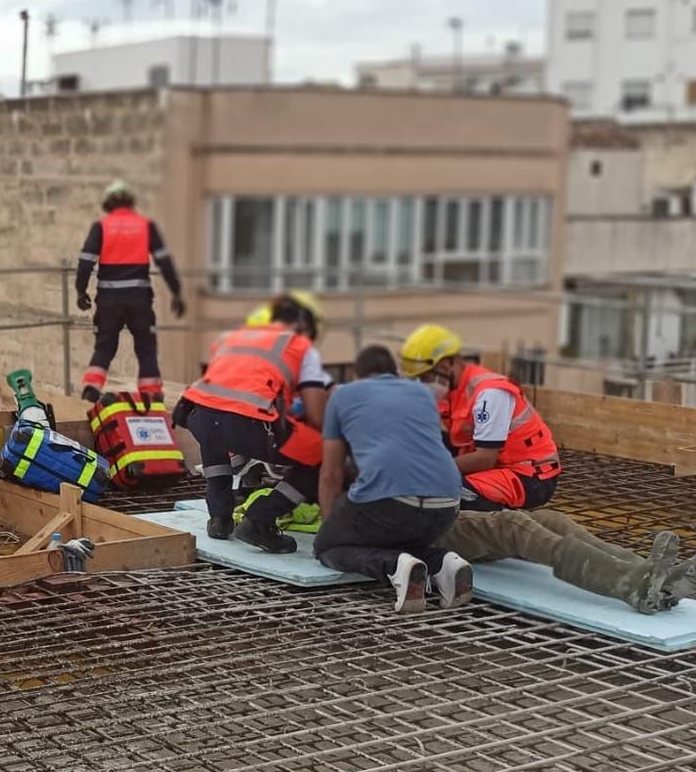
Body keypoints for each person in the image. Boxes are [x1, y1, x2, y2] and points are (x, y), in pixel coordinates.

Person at [314, 345, 472, 612]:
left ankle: (394, 566)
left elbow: (331, 473)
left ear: (356, 373)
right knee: (398, 535)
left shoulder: (342, 395)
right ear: (393, 371)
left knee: (328, 547)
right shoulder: (422, 393)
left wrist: (331, 528)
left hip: (393, 501)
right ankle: (442, 564)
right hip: (448, 502)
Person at [177, 290, 332, 550]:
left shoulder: (234, 338)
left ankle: (220, 518)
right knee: (321, 455)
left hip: (198, 415)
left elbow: (228, 388)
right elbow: (317, 415)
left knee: (215, 441)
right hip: (244, 422)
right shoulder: (300, 346)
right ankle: (260, 519)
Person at [400, 324, 562, 511]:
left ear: (445, 367)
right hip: (495, 466)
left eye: (424, 378)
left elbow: (485, 459)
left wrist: (431, 470)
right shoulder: (452, 391)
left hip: (528, 477)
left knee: (444, 493)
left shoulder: (490, 393)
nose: (421, 385)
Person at [440, 509, 696, 614]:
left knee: (552, 520)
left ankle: (651, 575)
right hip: (411, 532)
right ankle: (628, 586)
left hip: (424, 513)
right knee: (510, 525)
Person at [75, 180, 184, 403]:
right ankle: (151, 393)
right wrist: (176, 292)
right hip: (139, 300)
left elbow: (86, 261)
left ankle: (92, 388)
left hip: (108, 300)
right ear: (131, 202)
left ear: (107, 204)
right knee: (146, 345)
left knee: (105, 345)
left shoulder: (102, 227)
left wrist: (80, 291)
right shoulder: (146, 226)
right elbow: (164, 261)